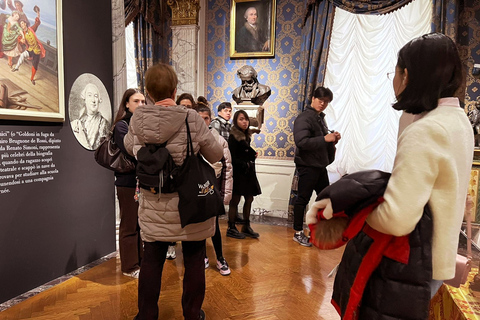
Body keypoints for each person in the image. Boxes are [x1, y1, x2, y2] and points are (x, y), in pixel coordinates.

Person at [315, 33, 473, 319]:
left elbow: (398, 218)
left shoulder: (426, 130)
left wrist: (356, 217)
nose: (394, 80)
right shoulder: (457, 120)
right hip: (438, 254)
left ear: (407, 75)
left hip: (412, 261)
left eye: (395, 72)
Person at [124, 63, 223, 320]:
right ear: (175, 89)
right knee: (193, 259)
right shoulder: (191, 117)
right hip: (188, 204)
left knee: (152, 261)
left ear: (148, 91)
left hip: (154, 203)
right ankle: (191, 313)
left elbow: (129, 148)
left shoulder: (137, 118)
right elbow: (215, 152)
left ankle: (146, 315)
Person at [292, 87, 341, 247]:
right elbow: (302, 142)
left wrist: (332, 138)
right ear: (313, 98)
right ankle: (298, 232)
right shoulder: (304, 118)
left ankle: (319, 231)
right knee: (302, 199)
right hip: (307, 165)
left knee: (325, 199)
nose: (323, 103)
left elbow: (319, 140)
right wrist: (325, 139)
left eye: (326, 101)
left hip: (319, 165)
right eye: (320, 100)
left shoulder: (319, 118)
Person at [112, 88, 145, 278]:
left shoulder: (139, 124)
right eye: (136, 101)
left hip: (141, 181)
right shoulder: (121, 126)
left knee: (140, 224)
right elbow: (131, 150)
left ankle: (140, 261)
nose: (140, 105)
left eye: (143, 102)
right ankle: (129, 266)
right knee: (129, 224)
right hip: (127, 182)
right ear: (126, 104)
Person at [197, 105, 233, 275]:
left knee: (214, 226)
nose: (203, 122)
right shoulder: (188, 139)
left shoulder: (219, 140)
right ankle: (202, 255)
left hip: (213, 190)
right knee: (198, 226)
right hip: (194, 191)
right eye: (199, 118)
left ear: (210, 119)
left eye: (205, 118)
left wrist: (225, 195)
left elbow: (227, 169)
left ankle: (219, 257)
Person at [227, 110, 261, 239]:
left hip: (248, 172)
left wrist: (252, 156)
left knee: (249, 198)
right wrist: (245, 163)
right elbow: (232, 156)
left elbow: (246, 151)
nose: (244, 122)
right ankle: (231, 227)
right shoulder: (233, 136)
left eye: (246, 119)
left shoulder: (246, 135)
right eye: (241, 119)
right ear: (235, 121)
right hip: (239, 172)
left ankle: (246, 226)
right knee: (235, 199)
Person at [71, 83, 110, 150]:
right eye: (89, 95)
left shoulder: (105, 124)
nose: (93, 100)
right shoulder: (77, 123)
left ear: (99, 100)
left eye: (96, 96)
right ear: (85, 99)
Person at [12, 9, 45, 85]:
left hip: (37, 51)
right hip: (30, 50)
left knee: (35, 66)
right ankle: (16, 67)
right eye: (21, 24)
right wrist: (21, 41)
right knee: (23, 55)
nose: (22, 25)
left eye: (23, 23)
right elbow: (20, 41)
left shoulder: (31, 29)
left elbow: (37, 23)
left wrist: (38, 13)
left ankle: (32, 78)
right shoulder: (22, 34)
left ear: (25, 24)